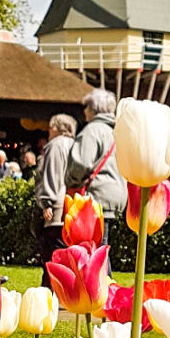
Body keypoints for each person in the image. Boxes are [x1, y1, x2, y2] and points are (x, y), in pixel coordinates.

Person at [65, 88, 127, 238]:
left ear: (93, 109)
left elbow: (81, 164)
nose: (84, 111)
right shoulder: (117, 132)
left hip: (97, 195)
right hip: (116, 195)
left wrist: (71, 180)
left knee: (95, 250)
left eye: (86, 107)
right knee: (102, 246)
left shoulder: (91, 131)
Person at [34, 112, 76, 279]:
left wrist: (47, 203)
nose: (49, 131)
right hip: (71, 205)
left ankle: (50, 293)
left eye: (50, 127)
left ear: (57, 128)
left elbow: (52, 175)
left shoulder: (55, 146)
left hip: (56, 209)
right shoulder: (75, 145)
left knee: (52, 255)